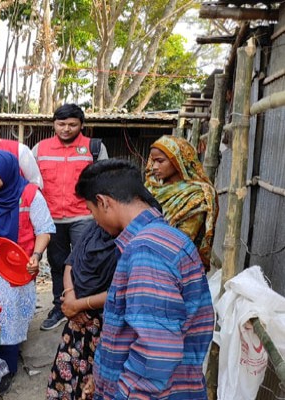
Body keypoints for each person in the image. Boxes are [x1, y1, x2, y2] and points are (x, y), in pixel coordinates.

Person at [75, 159, 214, 399]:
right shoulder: (165, 238)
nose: (95, 220)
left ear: (103, 202)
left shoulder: (146, 251)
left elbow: (157, 353)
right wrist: (102, 379)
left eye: (91, 211)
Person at [0, 150, 55, 394]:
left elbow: (44, 229)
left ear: (9, 173)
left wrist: (36, 256)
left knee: (9, 314)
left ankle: (7, 368)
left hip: (16, 266)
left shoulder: (29, 194)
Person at [33, 103, 109, 331]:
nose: (66, 129)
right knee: (57, 264)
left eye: (72, 125)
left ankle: (85, 308)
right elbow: (31, 183)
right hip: (52, 219)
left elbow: (106, 182)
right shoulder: (40, 149)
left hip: (84, 218)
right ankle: (59, 306)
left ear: (82, 125)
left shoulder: (94, 148)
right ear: (53, 124)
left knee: (85, 263)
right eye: (61, 124)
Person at [46, 221, 118, 399]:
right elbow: (71, 261)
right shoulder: (96, 228)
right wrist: (70, 296)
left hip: (106, 327)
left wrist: (79, 305)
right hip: (77, 325)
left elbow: (120, 291)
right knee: (67, 382)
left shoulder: (131, 244)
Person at [145, 135, 218, 269]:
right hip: (144, 259)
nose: (154, 166)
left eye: (160, 161)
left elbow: (183, 239)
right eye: (153, 161)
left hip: (178, 266)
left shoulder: (195, 195)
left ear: (178, 160)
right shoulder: (150, 188)